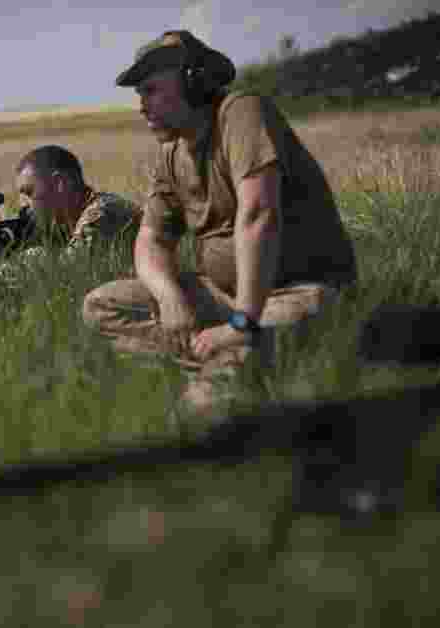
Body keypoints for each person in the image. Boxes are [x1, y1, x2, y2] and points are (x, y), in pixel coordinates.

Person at [82, 30, 357, 414]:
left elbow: (258, 215)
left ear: (193, 82)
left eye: (150, 90)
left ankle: (227, 366)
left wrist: (242, 321)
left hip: (294, 293)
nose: (142, 106)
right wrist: (171, 300)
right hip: (223, 298)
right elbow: (150, 241)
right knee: (102, 306)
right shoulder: (172, 153)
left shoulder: (241, 113)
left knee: (207, 405)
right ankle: (224, 356)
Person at [13, 145, 141, 255]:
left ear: (59, 183)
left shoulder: (101, 214)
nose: (24, 204)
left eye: (29, 193)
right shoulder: (69, 222)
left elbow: (69, 270)